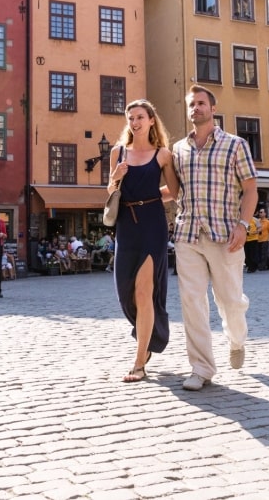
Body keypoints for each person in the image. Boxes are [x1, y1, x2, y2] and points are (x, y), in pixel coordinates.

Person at [170, 85, 256, 391]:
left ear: (213, 109)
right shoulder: (178, 149)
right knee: (192, 302)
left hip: (225, 234)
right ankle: (201, 368)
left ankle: (236, 340)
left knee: (230, 301)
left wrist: (243, 225)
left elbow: (250, 189)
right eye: (192, 104)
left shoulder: (235, 145)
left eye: (201, 103)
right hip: (188, 234)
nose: (196, 108)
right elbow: (174, 190)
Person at [107, 99, 180, 383]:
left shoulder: (162, 155)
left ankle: (139, 363)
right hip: (126, 224)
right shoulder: (118, 152)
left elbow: (174, 191)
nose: (134, 122)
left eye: (140, 117)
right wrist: (115, 176)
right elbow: (110, 192)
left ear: (151, 120)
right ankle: (147, 337)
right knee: (125, 290)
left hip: (152, 224)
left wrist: (149, 197)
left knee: (144, 291)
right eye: (130, 117)